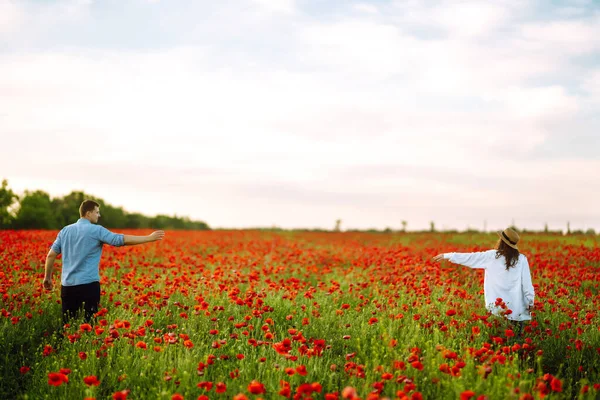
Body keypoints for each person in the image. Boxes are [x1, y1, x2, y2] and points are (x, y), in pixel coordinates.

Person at [43, 200, 165, 323]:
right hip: (88, 286)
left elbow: (51, 255)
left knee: (68, 324)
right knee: (89, 325)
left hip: (68, 287)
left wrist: (47, 278)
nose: (99, 215)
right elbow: (120, 240)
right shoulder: (96, 230)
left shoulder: (65, 231)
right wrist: (148, 238)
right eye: (97, 212)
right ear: (88, 213)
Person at [432, 227, 534, 337]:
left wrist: (448, 255)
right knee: (516, 341)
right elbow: (527, 283)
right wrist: (530, 301)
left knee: (498, 340)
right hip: (517, 309)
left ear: (501, 242)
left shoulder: (491, 256)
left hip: (497, 310)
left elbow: (470, 258)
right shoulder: (521, 259)